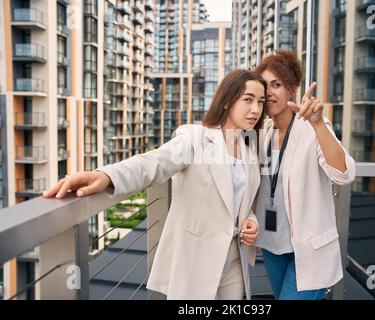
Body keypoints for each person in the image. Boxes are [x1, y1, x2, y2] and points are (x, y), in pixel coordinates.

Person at [42, 69, 267, 300]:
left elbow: (242, 204)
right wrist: (107, 176)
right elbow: (153, 163)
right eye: (248, 100)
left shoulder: (250, 152)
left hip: (234, 261)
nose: (255, 110)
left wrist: (251, 220)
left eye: (260, 102)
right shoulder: (195, 138)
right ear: (228, 100)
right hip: (196, 262)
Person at [254, 50, 356, 300]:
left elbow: (344, 174)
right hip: (271, 246)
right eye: (264, 86)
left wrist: (319, 124)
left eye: (276, 85)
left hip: (309, 251)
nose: (269, 92)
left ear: (291, 90)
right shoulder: (262, 132)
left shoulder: (312, 127)